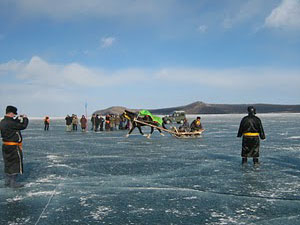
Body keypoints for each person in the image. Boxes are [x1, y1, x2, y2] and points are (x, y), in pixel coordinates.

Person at [0, 106, 29, 188]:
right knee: (15, 163)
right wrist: (25, 119)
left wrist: (17, 119)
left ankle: (7, 181)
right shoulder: (11, 123)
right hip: (13, 147)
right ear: (11, 113)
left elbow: (12, 124)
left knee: (8, 163)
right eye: (14, 114)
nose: (14, 116)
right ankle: (13, 183)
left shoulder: (2, 121)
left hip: (5, 145)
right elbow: (23, 126)